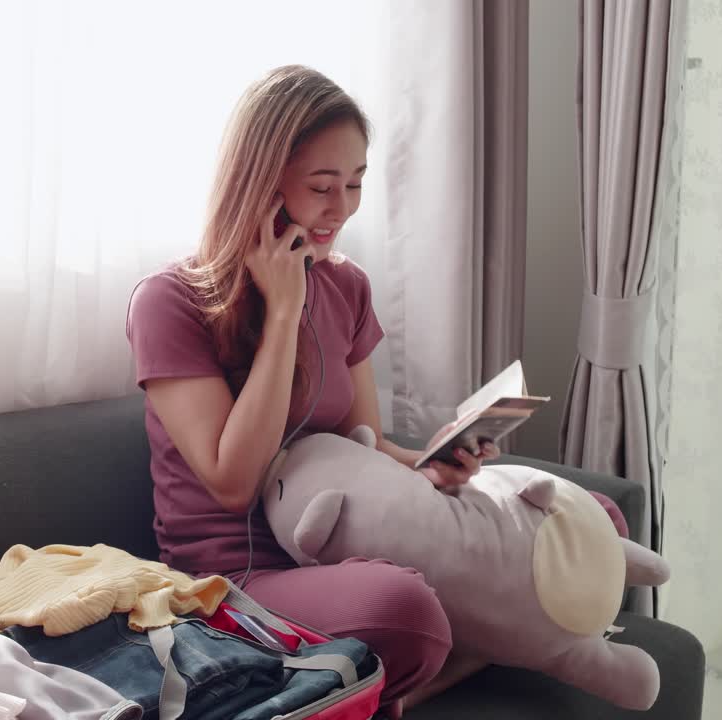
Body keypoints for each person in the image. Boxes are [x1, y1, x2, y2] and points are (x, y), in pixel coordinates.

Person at [124, 64, 504, 717]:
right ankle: (438, 663)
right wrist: (282, 311)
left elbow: (364, 442)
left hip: (345, 539)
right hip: (235, 577)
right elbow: (232, 480)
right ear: (262, 186)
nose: (343, 208)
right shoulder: (169, 302)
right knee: (405, 607)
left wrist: (433, 467)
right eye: (323, 186)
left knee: (572, 523)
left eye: (356, 184)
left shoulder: (348, 286)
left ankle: (381, 680)